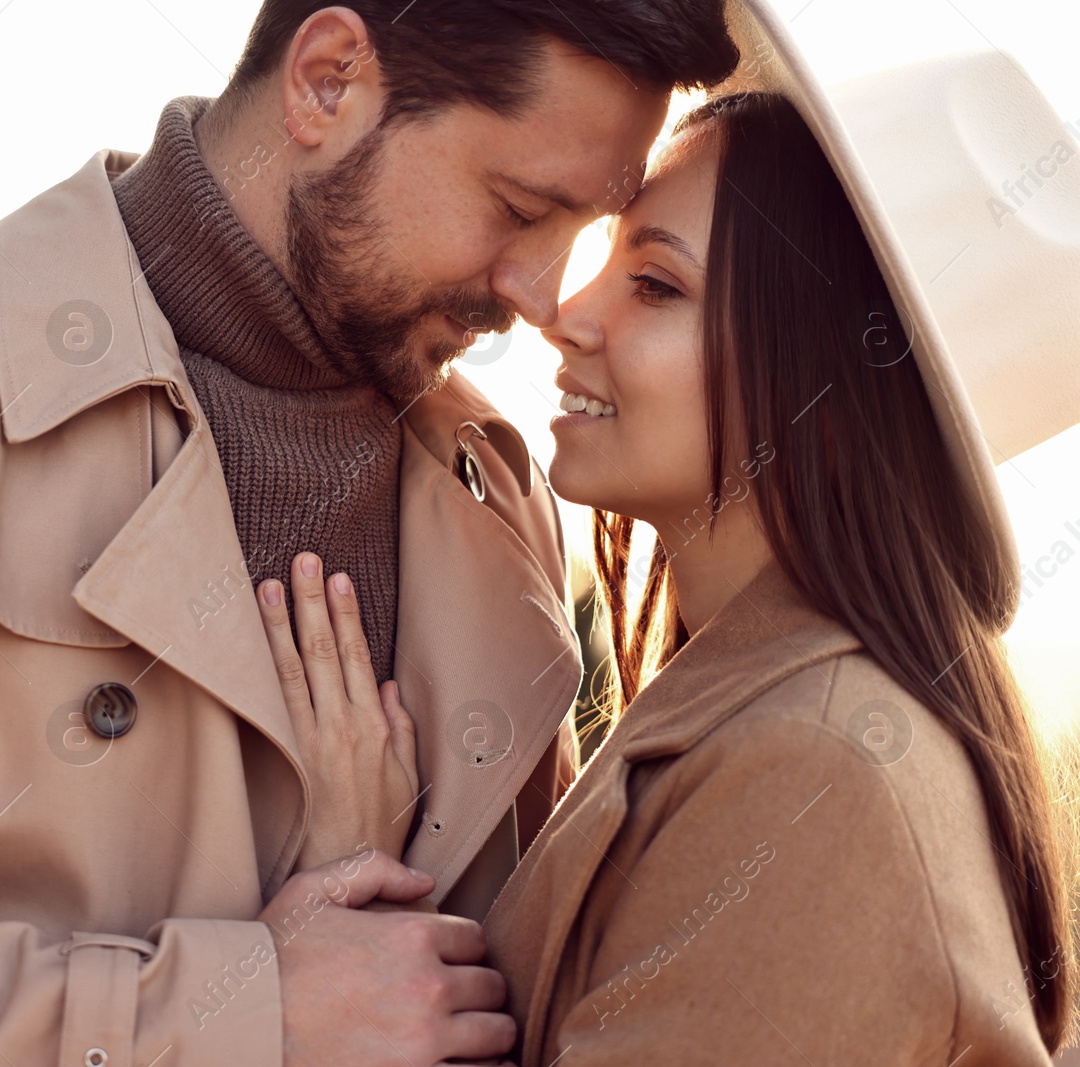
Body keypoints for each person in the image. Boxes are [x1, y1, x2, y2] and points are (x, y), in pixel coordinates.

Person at [0, 3, 740, 1066]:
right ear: (327, 80)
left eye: (582, 225)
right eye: (520, 206)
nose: (540, 292)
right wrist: (224, 1018)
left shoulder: (496, 492)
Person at [258, 27, 1080, 1067]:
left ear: (830, 395)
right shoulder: (753, 713)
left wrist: (352, 891)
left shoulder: (817, 777)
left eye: (655, 285)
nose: (563, 312)